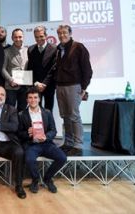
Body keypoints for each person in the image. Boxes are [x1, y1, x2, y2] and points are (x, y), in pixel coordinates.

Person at [18, 87, 67, 194]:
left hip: (46, 143)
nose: (33, 100)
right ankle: (35, 180)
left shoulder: (47, 112)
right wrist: (28, 133)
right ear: (27, 100)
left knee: (62, 158)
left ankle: (47, 179)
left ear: (39, 99)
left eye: (35, 97)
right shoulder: (22, 114)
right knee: (29, 160)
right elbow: (19, 133)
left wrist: (46, 136)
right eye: (30, 98)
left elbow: (53, 130)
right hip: (31, 144)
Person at [54, 25, 93, 155]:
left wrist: (84, 87)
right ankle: (68, 142)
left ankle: (78, 144)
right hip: (60, 87)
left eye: (64, 33)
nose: (62, 35)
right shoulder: (59, 49)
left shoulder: (78, 47)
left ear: (70, 33)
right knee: (65, 116)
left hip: (73, 86)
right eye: (59, 33)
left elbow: (87, 70)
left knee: (74, 116)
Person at [27, 26, 57, 111]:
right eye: (36, 37)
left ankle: (47, 125)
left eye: (41, 36)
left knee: (48, 110)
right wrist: (36, 83)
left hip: (49, 85)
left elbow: (53, 68)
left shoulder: (54, 48)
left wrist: (45, 83)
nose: (39, 39)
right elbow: (30, 68)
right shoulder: (31, 49)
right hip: (36, 86)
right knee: (36, 110)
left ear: (46, 35)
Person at [2, 28, 29, 112]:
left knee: (22, 110)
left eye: (20, 37)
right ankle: (11, 125)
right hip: (11, 86)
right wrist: (10, 80)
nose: (18, 39)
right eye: (15, 37)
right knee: (10, 110)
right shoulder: (6, 51)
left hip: (25, 86)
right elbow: (2, 69)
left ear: (23, 37)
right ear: (12, 38)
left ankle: (21, 125)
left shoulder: (28, 50)